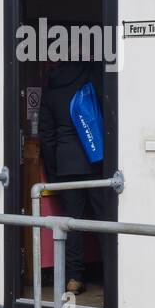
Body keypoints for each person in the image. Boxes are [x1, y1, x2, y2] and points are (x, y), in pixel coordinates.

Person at [37, 59, 105, 295]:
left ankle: (75, 277)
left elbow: (46, 135)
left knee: (71, 224)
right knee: (102, 220)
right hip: (95, 160)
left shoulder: (51, 87)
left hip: (66, 164)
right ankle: (112, 271)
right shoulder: (93, 77)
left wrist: (55, 171)